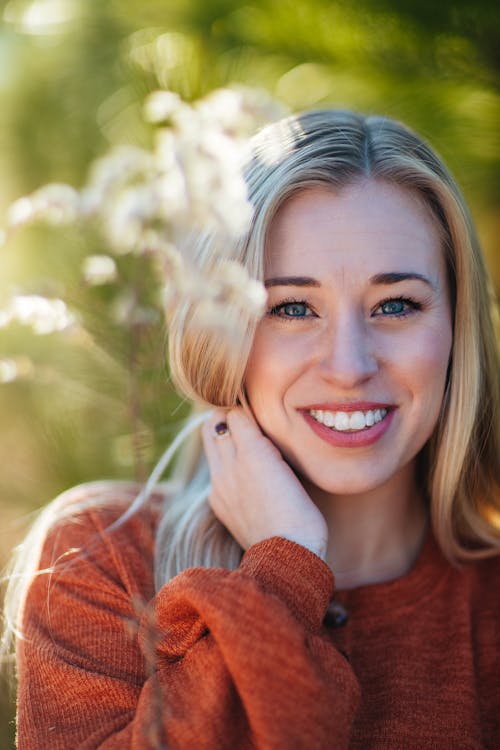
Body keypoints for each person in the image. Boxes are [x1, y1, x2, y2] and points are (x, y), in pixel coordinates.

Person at [2, 109, 499, 749]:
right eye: (292, 307)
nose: (349, 366)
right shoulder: (102, 563)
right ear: (224, 335)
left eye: (396, 304)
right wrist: (284, 568)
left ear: (457, 326)